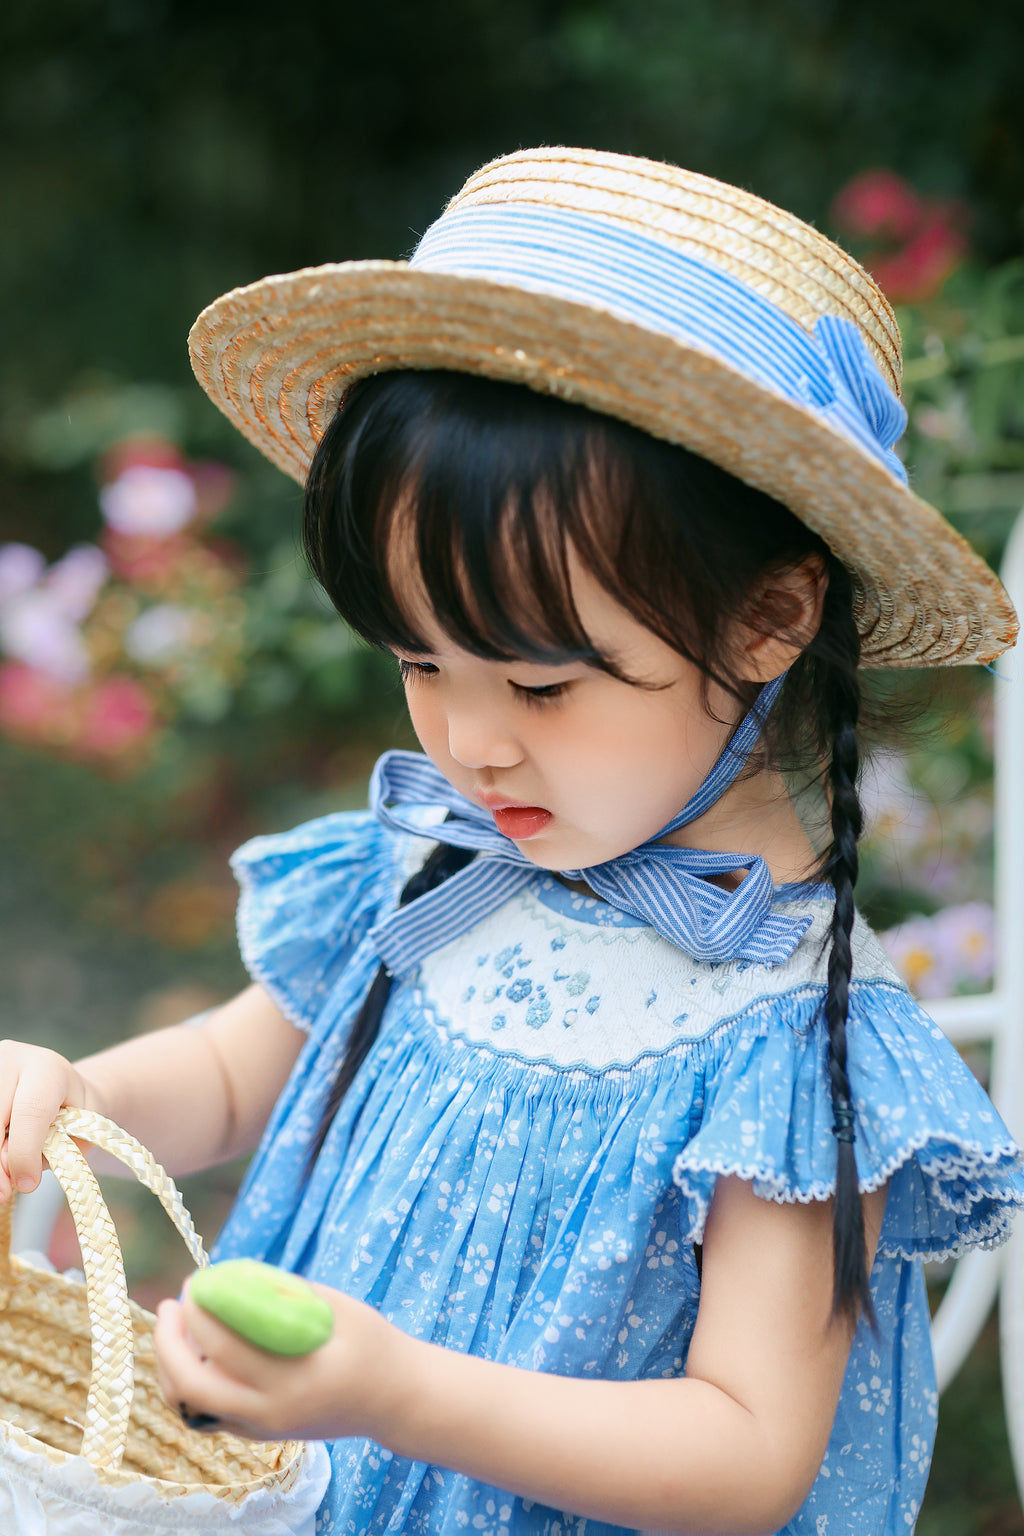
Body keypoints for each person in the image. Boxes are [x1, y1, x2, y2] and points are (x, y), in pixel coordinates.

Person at [1, 147, 1022, 1535]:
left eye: (542, 683)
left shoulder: (791, 1031)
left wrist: (404, 1397)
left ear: (771, 620)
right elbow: (239, 1075)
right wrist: (69, 1099)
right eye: (423, 662)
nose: (471, 741)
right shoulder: (441, 861)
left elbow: (749, 1449)